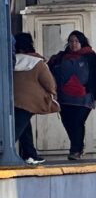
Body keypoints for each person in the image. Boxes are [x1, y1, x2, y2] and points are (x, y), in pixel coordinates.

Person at [49, 31, 96, 160]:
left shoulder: (90, 56)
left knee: (77, 122)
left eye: (76, 41)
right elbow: (49, 69)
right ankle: (77, 146)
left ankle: (75, 150)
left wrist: (89, 89)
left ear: (82, 42)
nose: (73, 44)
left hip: (84, 98)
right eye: (71, 41)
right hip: (64, 98)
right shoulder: (61, 57)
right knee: (67, 123)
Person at [13, 33, 57, 165]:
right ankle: (7, 151)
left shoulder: (10, 60)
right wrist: (53, 93)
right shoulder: (37, 62)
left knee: (24, 127)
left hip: (11, 101)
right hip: (30, 102)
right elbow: (49, 83)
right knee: (16, 130)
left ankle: (30, 154)